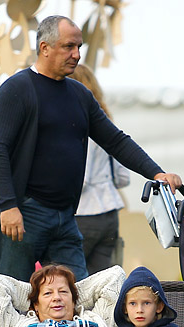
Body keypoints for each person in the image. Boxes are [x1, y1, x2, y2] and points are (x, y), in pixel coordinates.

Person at [0, 15, 182, 287]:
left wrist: (156, 173)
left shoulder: (79, 94)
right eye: (69, 46)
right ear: (44, 48)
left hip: (65, 217)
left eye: (79, 47)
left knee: (79, 295)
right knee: (8, 299)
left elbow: (116, 141)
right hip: (24, 213)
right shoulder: (16, 89)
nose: (77, 54)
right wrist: (8, 205)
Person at [68, 65, 131, 275]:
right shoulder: (107, 122)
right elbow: (122, 178)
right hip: (109, 211)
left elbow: (80, 179)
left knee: (70, 280)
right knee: (102, 282)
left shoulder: (76, 126)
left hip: (83, 213)